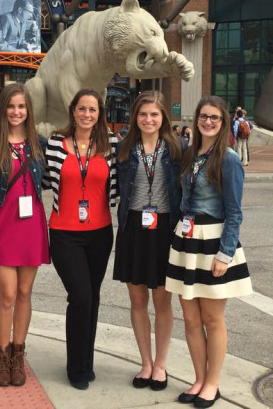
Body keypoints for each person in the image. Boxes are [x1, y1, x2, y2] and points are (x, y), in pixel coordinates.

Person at [165, 96, 253, 407]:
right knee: (190, 319)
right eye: (204, 116)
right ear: (197, 119)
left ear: (223, 121)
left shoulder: (227, 159)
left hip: (214, 241)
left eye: (215, 117)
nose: (209, 122)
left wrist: (224, 254)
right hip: (187, 241)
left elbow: (234, 211)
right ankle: (199, 379)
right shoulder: (190, 154)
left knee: (212, 319)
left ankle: (212, 383)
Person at [44, 88, 118, 390]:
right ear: (73, 111)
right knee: (81, 297)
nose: (87, 115)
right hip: (64, 233)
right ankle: (75, 367)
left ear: (99, 114)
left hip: (101, 233)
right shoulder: (55, 144)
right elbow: (45, 181)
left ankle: (87, 362)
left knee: (93, 297)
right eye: (82, 109)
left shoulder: (111, 144)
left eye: (93, 110)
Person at [113, 91, 184, 391]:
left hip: (165, 230)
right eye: (143, 114)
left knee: (162, 301)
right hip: (133, 228)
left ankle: (161, 365)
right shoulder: (125, 148)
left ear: (163, 117)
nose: (149, 119)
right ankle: (145, 362)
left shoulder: (177, 149)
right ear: (135, 117)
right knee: (138, 300)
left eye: (154, 114)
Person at [0, 82, 50, 387]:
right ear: (3, 109)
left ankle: (18, 355)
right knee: (7, 295)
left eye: (21, 106)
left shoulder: (40, 143)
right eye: (11, 106)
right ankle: (2, 353)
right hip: (2, 225)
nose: (16, 112)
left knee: (24, 293)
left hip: (31, 225)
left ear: (28, 110)